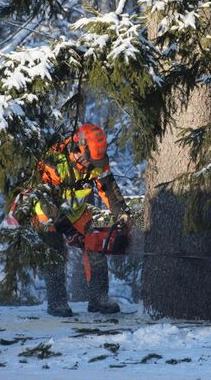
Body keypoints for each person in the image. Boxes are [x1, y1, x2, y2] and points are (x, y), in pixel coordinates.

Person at [15, 123, 130, 317]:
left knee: (96, 242)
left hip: (76, 212)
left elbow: (108, 187)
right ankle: (57, 303)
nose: (90, 164)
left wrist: (121, 212)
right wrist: (67, 229)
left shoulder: (97, 162)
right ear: (77, 148)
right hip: (46, 214)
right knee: (56, 251)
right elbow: (44, 200)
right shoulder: (53, 162)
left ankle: (99, 299)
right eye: (88, 159)